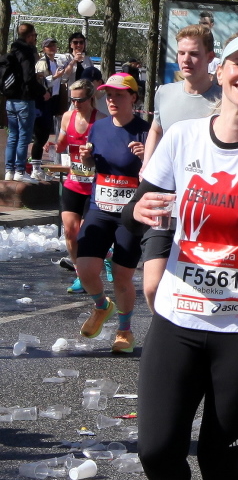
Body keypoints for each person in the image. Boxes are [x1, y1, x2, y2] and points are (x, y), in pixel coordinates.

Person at [122, 31, 238, 480]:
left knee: (219, 460)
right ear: (220, 71)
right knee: (157, 452)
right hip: (179, 319)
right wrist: (138, 211)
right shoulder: (183, 137)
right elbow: (135, 212)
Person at [140, 24, 222, 314]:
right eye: (182, 53)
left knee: (201, 289)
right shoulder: (164, 92)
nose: (186, 60)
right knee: (152, 286)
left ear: (210, 57)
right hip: (166, 200)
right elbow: (157, 128)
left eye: (194, 54)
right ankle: (165, 330)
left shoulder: (224, 98)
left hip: (205, 205)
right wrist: (147, 164)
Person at [76, 73, 149, 353]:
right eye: (108, 95)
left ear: (133, 98)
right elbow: (92, 167)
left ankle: (124, 331)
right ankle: (101, 306)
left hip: (130, 212)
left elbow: (161, 174)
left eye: (119, 95)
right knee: (85, 269)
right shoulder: (98, 127)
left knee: (121, 275)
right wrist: (86, 159)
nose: (112, 100)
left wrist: (146, 157)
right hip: (100, 207)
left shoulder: (145, 130)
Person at [45, 79, 106, 293]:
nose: (76, 104)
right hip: (74, 182)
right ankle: (81, 276)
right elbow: (62, 143)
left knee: (87, 235)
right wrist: (54, 145)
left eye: (80, 100)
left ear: (91, 99)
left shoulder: (101, 120)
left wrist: (93, 155)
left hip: (94, 186)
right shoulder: (67, 117)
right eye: (73, 100)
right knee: (71, 233)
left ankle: (106, 257)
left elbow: (109, 153)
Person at [4, 23, 47, 183]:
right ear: (29, 36)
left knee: (12, 136)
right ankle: (20, 171)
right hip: (24, 100)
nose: (35, 38)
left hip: (10, 100)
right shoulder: (26, 51)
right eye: (34, 35)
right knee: (24, 136)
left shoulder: (12, 51)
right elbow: (28, 77)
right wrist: (42, 91)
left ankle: (9, 170)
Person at [32, 37, 69, 181]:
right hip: (43, 101)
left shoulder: (55, 62)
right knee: (41, 134)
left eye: (53, 45)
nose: (52, 48)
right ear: (43, 49)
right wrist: (55, 77)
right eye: (48, 46)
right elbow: (39, 81)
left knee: (46, 134)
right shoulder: (42, 62)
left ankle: (37, 167)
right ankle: (35, 168)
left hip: (52, 100)